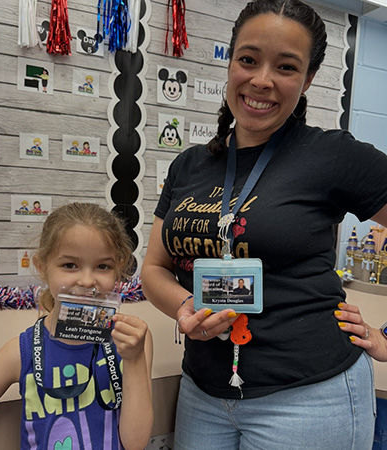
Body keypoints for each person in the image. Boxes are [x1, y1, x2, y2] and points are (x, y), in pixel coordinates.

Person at [141, 1, 387, 449]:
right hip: (204, 391)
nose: (261, 80)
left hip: (309, 397)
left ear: (308, 80)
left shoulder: (332, 155)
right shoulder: (190, 165)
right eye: (248, 60)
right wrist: (183, 308)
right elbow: (154, 268)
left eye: (286, 67)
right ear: (231, 61)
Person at [0, 203, 153, 450]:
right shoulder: (20, 352)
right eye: (69, 265)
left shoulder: (133, 341)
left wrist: (134, 359)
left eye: (103, 266)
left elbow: (136, 443)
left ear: (118, 269)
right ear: (42, 267)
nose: (87, 280)